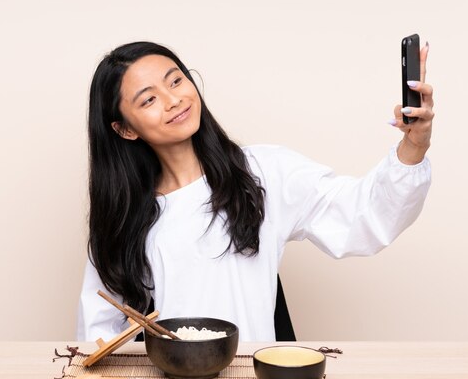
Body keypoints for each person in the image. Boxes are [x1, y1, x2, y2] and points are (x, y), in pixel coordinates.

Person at [76, 41, 434, 342]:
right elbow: (99, 330)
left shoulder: (264, 172)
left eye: (176, 81)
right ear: (125, 129)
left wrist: (413, 145)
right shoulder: (123, 218)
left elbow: (362, 216)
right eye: (148, 100)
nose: (173, 100)